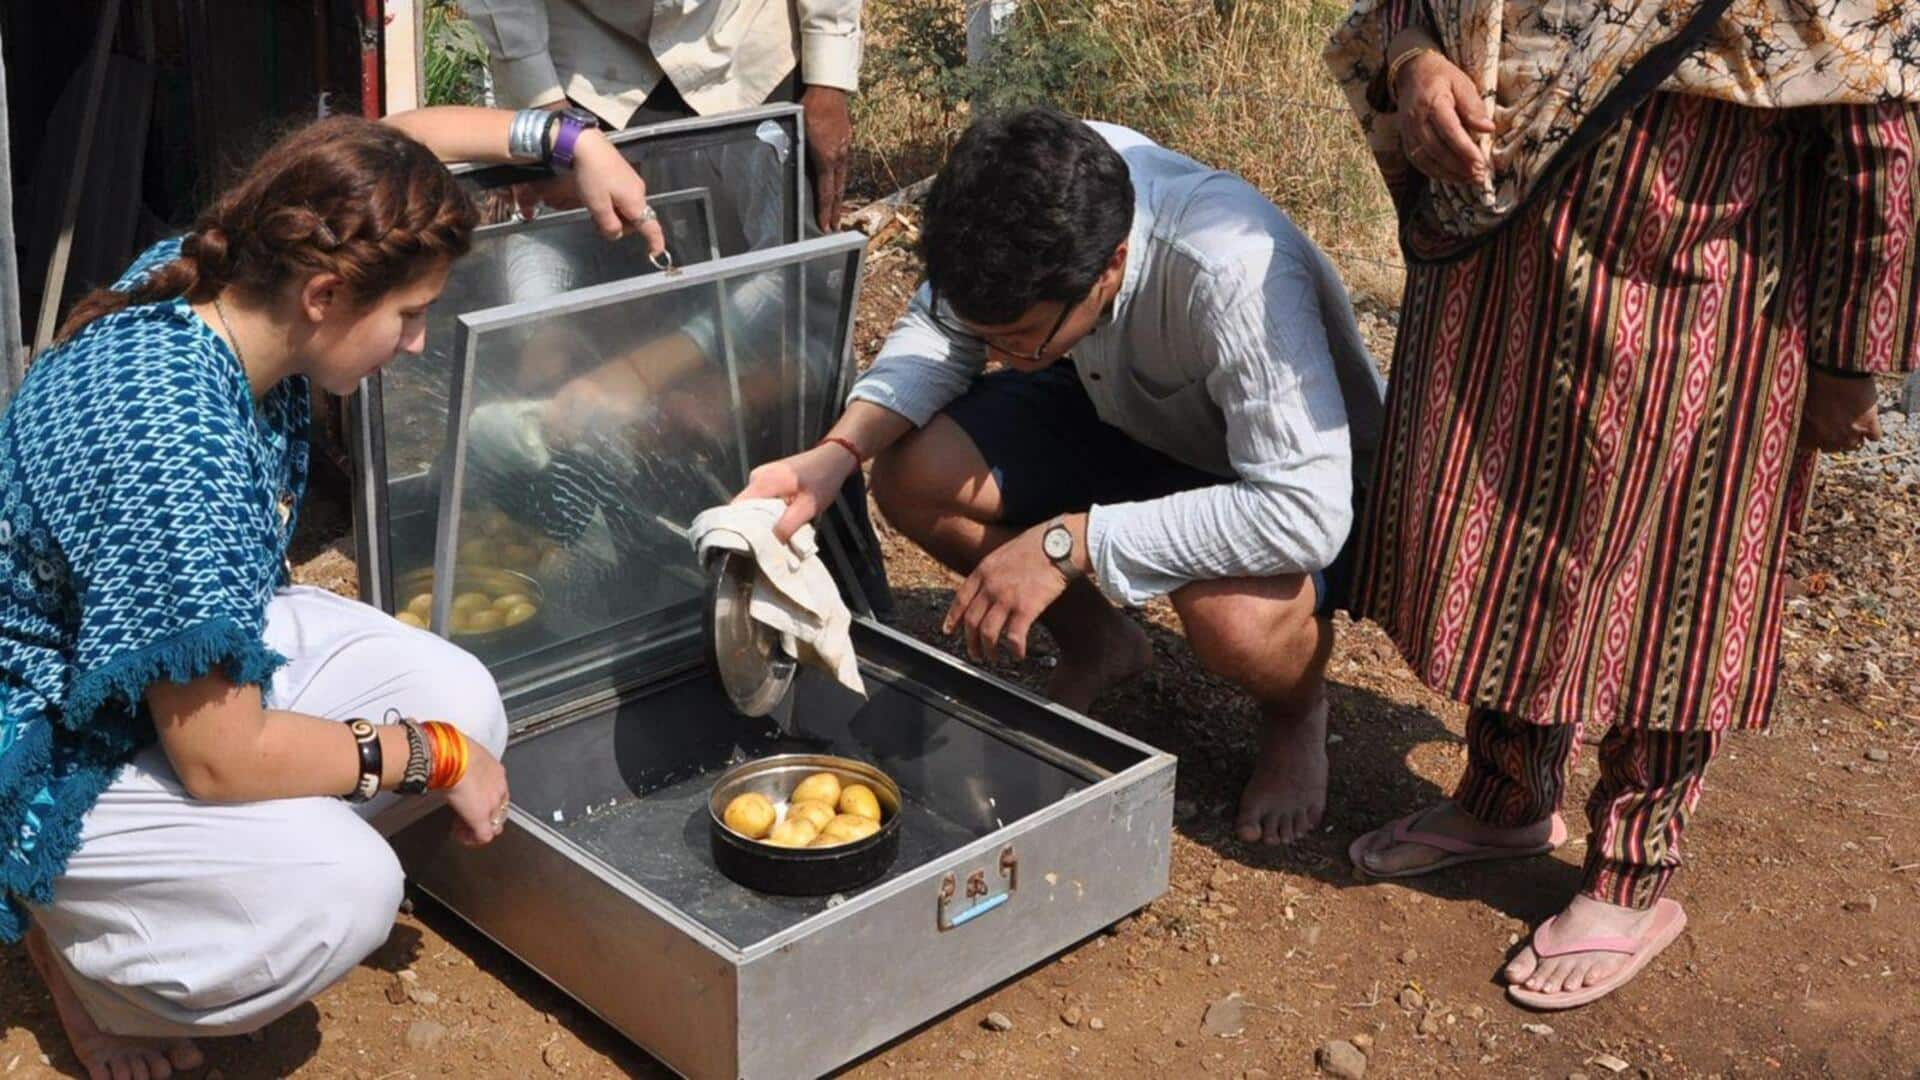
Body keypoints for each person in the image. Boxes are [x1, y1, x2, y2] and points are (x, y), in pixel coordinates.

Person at [2, 106, 662, 1079]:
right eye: (409, 314)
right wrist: (423, 757)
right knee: (341, 889)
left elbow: (383, 143)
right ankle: (82, 950)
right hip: (48, 733)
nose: (416, 343)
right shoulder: (179, 451)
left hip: (141, 660)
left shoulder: (223, 267)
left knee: (467, 697)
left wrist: (565, 142)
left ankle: (189, 874)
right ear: (325, 295)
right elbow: (218, 756)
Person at [1326, 0, 1919, 1009]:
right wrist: (1417, 64)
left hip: (1700, 302)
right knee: (1508, 538)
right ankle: (1505, 797)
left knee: (1670, 588)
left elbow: (1880, 129)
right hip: (1501, 280)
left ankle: (1632, 876)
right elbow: (1403, 14)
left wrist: (1850, 355)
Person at [738, 107, 1385, 846]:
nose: (996, 353)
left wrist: (1068, 542)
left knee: (1232, 622)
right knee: (914, 473)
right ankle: (1101, 642)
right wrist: (836, 455)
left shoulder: (1231, 267)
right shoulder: (1027, 190)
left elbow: (1302, 509)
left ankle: (1297, 710)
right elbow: (940, 332)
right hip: (1121, 409)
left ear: (1110, 266)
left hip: (1267, 472)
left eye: (1016, 339)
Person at [464, 0, 864, 232]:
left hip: (750, 33)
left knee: (788, 270)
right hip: (595, 50)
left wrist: (827, 78)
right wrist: (551, 121)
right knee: (624, 276)